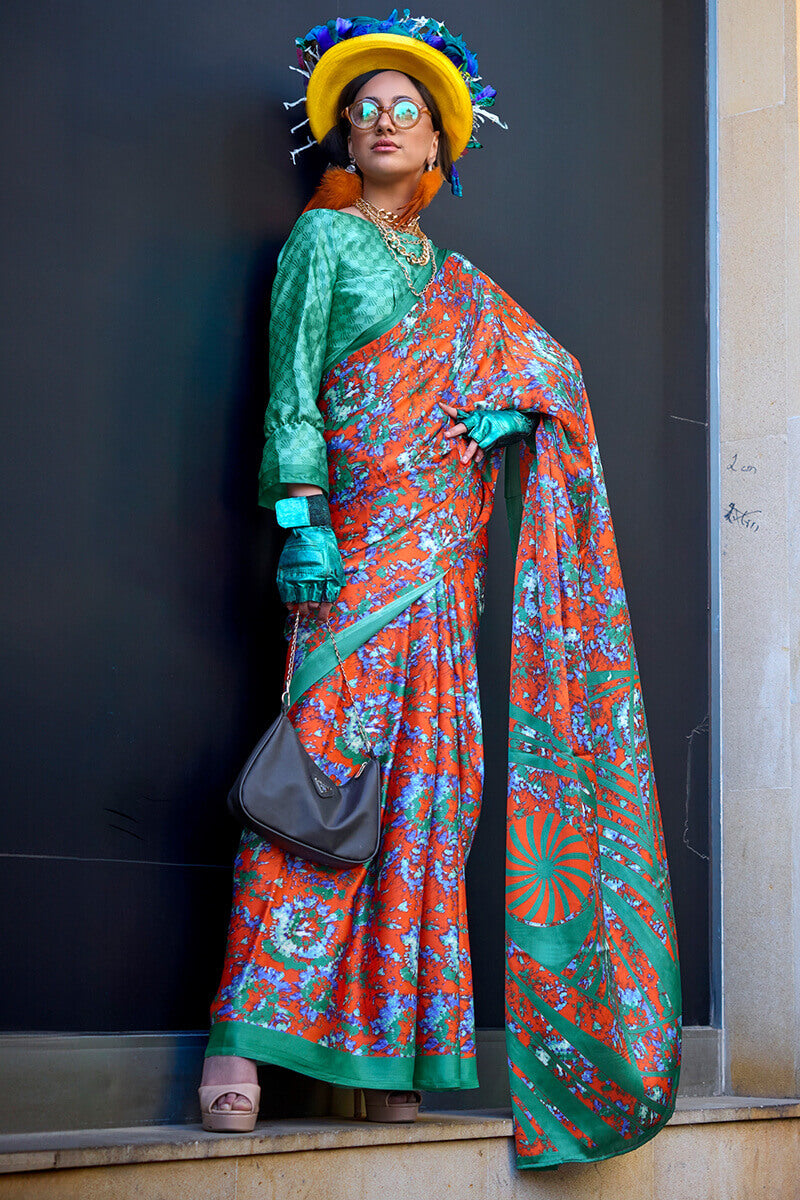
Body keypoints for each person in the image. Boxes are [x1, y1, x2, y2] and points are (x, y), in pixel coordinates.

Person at [199, 13, 682, 1171]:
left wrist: (517, 411)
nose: (378, 120)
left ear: (438, 145)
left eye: (402, 110)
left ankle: (394, 1050)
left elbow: (550, 372)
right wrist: (299, 515)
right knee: (319, 781)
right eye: (360, 107)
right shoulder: (320, 244)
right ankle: (237, 1045)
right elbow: (291, 383)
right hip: (355, 555)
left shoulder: (458, 286)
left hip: (444, 574)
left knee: (427, 798)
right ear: (342, 134)